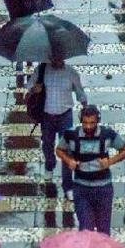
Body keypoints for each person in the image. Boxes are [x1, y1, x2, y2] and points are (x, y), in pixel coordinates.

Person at [56, 105, 125, 234]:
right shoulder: (71, 134)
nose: (88, 127)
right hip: (81, 188)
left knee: (103, 231)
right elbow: (59, 150)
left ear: (98, 121)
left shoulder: (107, 134)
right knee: (86, 230)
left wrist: (110, 162)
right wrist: (69, 161)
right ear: (81, 120)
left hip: (103, 189)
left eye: (92, 123)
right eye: (85, 123)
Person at [27, 57, 88, 199]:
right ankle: (49, 164)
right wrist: (35, 89)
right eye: (55, 56)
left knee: (67, 150)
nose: (57, 59)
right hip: (46, 116)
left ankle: (68, 186)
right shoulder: (41, 70)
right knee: (47, 144)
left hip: (65, 116)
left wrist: (85, 106)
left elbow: (80, 91)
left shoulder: (71, 72)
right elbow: (29, 86)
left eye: (60, 56)